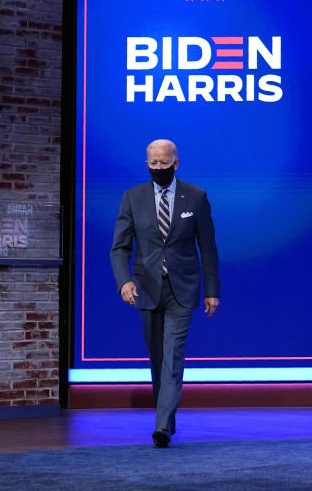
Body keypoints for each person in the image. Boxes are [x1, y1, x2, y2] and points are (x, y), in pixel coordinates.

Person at [110, 139, 220, 448]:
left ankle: (160, 427)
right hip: (146, 288)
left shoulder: (196, 197)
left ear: (176, 162)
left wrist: (212, 290)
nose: (159, 168)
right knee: (158, 361)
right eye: (153, 163)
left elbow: (208, 248)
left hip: (182, 290)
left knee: (173, 356)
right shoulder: (133, 197)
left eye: (164, 162)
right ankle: (168, 421)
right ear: (147, 163)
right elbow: (119, 247)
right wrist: (124, 281)